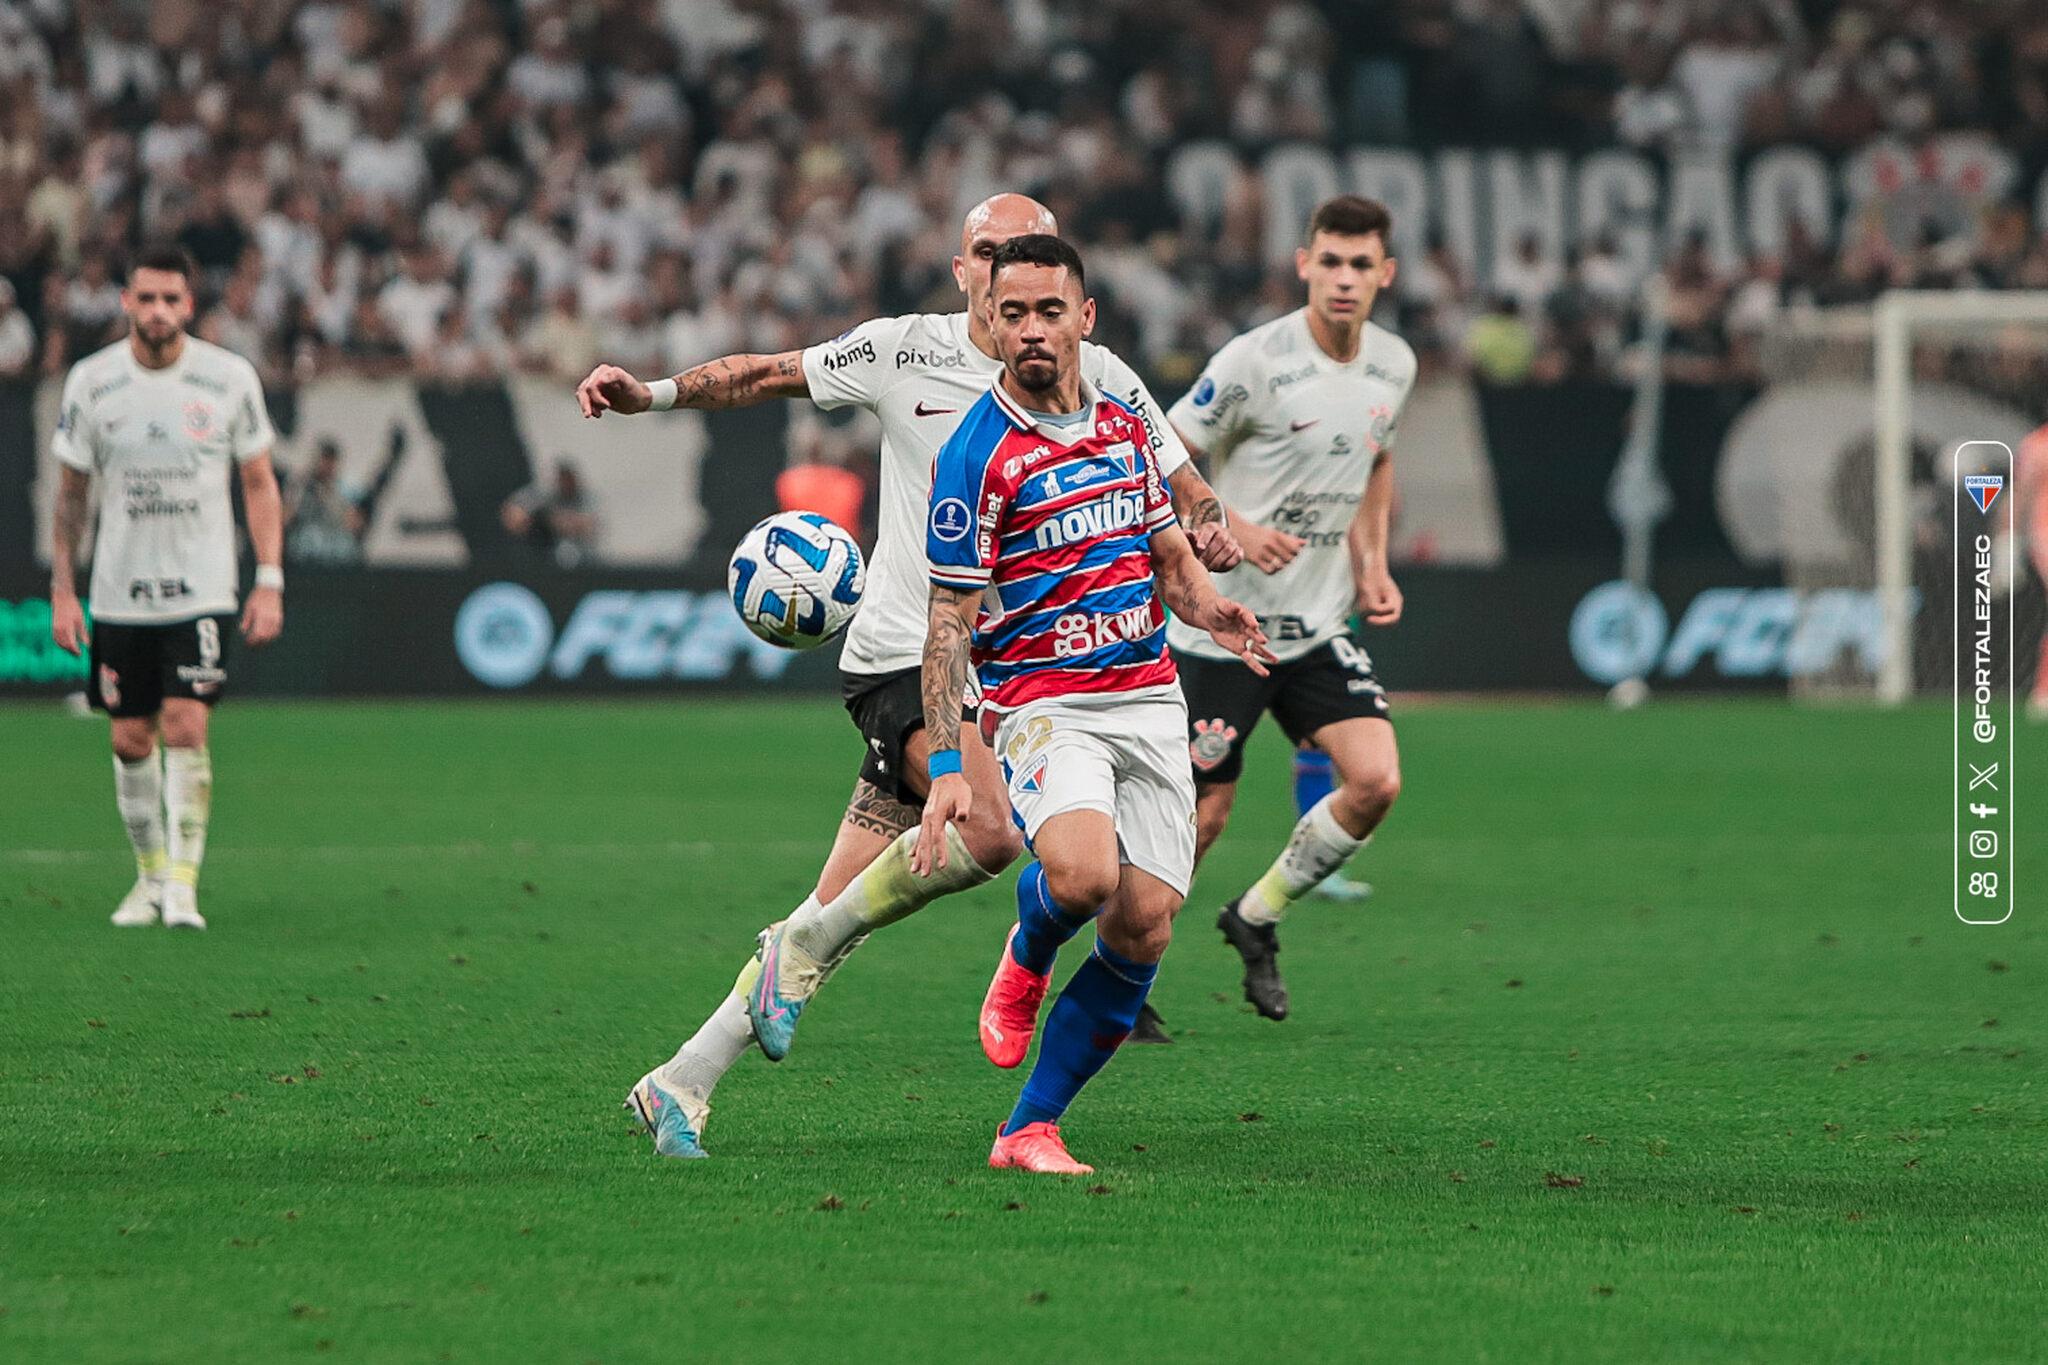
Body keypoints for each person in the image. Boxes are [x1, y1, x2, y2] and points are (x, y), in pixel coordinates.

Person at [575, 194, 1240, 1159]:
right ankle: (843, 975)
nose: (1003, 274)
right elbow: (768, 374)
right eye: (984, 254)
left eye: (1023, 260)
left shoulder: (1097, 375)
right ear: (961, 267)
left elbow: (1176, 481)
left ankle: (682, 1080)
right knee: (995, 826)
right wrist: (656, 394)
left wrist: (1215, 530)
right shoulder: (904, 350)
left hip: (1022, 662)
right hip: (908, 650)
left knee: (836, 907)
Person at [917, 235, 1273, 1175]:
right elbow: (948, 624)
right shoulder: (974, 453)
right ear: (988, 325)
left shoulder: (1125, 422)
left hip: (1149, 694)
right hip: (1044, 702)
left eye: (1048, 310)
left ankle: (1029, 1127)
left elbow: (1168, 565)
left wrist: (1214, 610)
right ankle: (1029, 946)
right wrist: (949, 765)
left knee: (1144, 920)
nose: (1030, 328)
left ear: (1085, 318)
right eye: (1011, 313)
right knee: (1082, 877)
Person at [1167, 196, 1418, 1020]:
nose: (1345, 279)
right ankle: (1119, 972)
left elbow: (1376, 460)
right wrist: (1233, 524)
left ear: (1385, 274)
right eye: (1331, 261)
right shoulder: (1256, 360)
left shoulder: (1394, 365)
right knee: (1200, 821)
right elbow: (1163, 453)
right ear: (1304, 264)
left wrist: (1371, 563)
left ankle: (1256, 914)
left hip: (1313, 627)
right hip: (1222, 631)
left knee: (1376, 779)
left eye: (1361, 265)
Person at [48, 244, 285, 931]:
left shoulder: (228, 378)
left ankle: (183, 883)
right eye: (144, 298)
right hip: (120, 590)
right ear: (126, 301)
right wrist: (66, 590)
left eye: (170, 299)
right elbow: (69, 497)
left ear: (189, 304)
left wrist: (267, 579)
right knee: (129, 739)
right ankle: (149, 876)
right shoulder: (91, 384)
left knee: (185, 725)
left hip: (203, 587)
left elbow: (258, 482)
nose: (157, 311)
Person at [501, 458, 598, 567]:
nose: (566, 484)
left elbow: (588, 525)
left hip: (572, 552)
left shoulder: (584, 498)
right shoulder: (544, 495)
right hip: (536, 549)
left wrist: (564, 523)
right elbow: (514, 514)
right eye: (563, 480)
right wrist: (545, 520)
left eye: (569, 480)